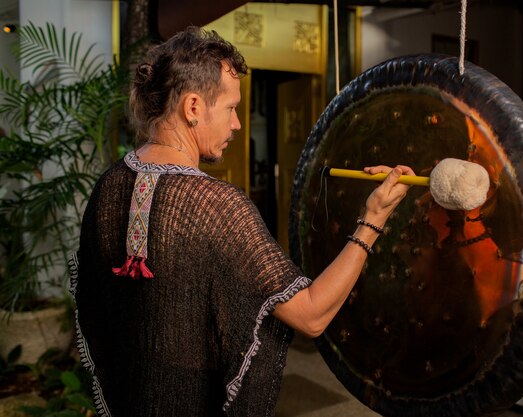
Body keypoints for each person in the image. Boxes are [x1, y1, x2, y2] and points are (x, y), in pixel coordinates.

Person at [70, 26, 414, 417]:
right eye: (231, 108)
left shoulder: (107, 186)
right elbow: (311, 314)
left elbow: (98, 311)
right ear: (194, 106)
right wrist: (373, 218)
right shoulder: (216, 205)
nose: (237, 124)